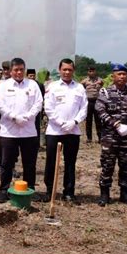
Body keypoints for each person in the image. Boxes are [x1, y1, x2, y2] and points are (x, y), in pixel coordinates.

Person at [95, 63, 127, 208]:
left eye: (124, 74)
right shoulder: (105, 92)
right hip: (110, 137)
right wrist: (116, 124)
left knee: (126, 165)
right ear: (113, 76)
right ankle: (105, 195)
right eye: (119, 74)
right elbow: (100, 110)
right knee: (107, 165)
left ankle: (125, 194)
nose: (122, 77)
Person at [0, 58, 43, 203]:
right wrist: (14, 117)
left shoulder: (32, 85)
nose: (19, 72)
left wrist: (28, 117)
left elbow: (38, 103)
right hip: (9, 131)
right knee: (7, 162)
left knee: (29, 163)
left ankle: (31, 189)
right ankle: (4, 190)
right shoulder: (3, 85)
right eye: (16, 69)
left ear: (25, 70)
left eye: (21, 69)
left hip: (28, 131)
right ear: (10, 71)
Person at [43, 59, 87, 204]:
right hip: (54, 131)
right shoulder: (52, 87)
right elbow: (48, 108)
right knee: (51, 161)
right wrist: (61, 123)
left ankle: (69, 192)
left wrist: (73, 122)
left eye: (70, 70)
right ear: (60, 70)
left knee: (70, 162)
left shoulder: (79, 88)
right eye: (64, 69)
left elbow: (84, 108)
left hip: (73, 131)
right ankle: (50, 190)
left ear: (73, 71)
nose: (67, 72)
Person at [81, 67, 103, 143]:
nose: (91, 73)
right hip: (88, 102)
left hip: (97, 101)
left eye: (93, 71)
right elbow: (81, 88)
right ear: (88, 72)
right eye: (90, 71)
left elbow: (102, 87)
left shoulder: (100, 80)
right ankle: (89, 138)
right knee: (88, 120)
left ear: (95, 72)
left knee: (98, 120)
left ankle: (100, 137)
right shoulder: (84, 81)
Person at [27, 69, 45, 139]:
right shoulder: (25, 84)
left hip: (36, 109)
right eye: (30, 76)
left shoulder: (40, 85)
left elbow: (42, 97)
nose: (32, 77)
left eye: (33, 76)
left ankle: (37, 143)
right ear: (27, 76)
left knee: (37, 126)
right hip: (27, 109)